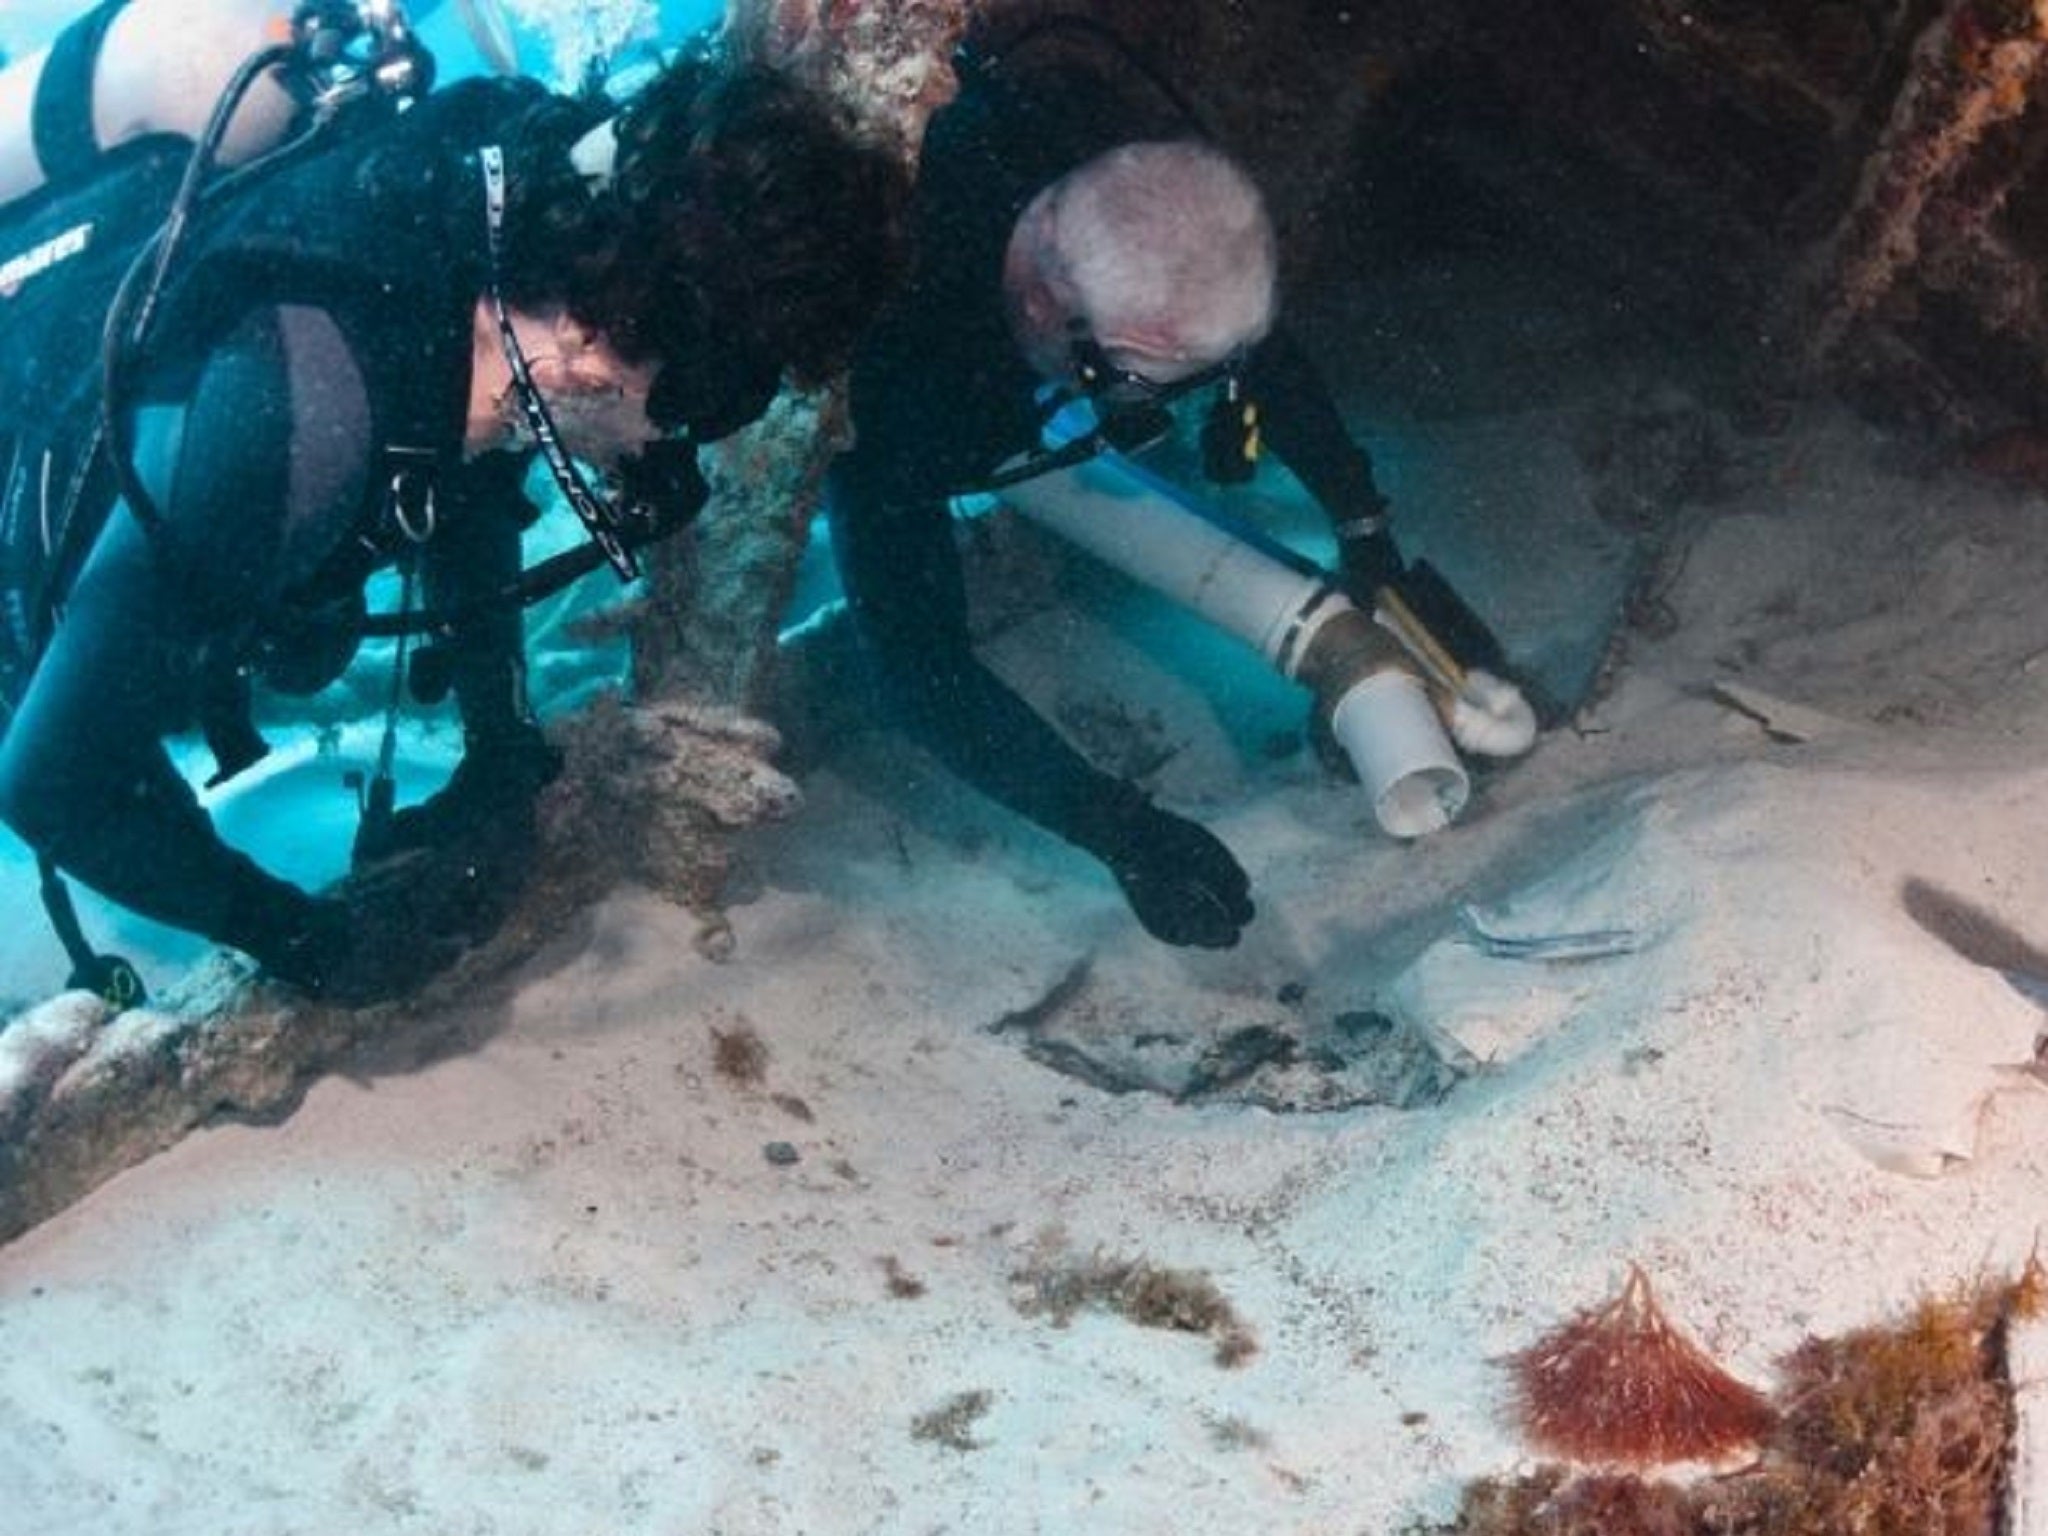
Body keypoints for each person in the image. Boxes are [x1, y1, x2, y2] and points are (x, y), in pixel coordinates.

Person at [0, 5, 906, 1005]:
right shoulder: (304, 422)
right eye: (703, 401)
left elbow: (471, 484)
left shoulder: (518, 234)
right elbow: (55, 776)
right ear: (599, 352)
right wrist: (305, 938)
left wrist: (498, 744)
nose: (679, 444)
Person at [828, 19, 1528, 952]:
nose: (1149, 417)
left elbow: (1265, 358)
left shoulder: (1120, 182)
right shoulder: (899, 346)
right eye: (1127, 394)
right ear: (1043, 304)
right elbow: (919, 668)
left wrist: (1363, 530)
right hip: (925, 388)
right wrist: (1116, 828)